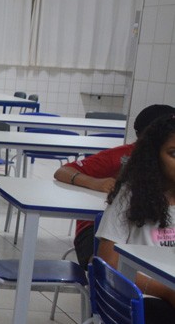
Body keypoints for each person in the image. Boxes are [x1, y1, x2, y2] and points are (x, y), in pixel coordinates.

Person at [92, 112, 175, 324]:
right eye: (173, 153)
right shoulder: (131, 197)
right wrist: (164, 290)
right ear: (154, 155)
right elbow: (107, 263)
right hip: (138, 300)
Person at [53, 103, 175, 267]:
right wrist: (95, 182)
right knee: (100, 262)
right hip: (97, 227)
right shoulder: (121, 160)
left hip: (135, 240)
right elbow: (62, 171)